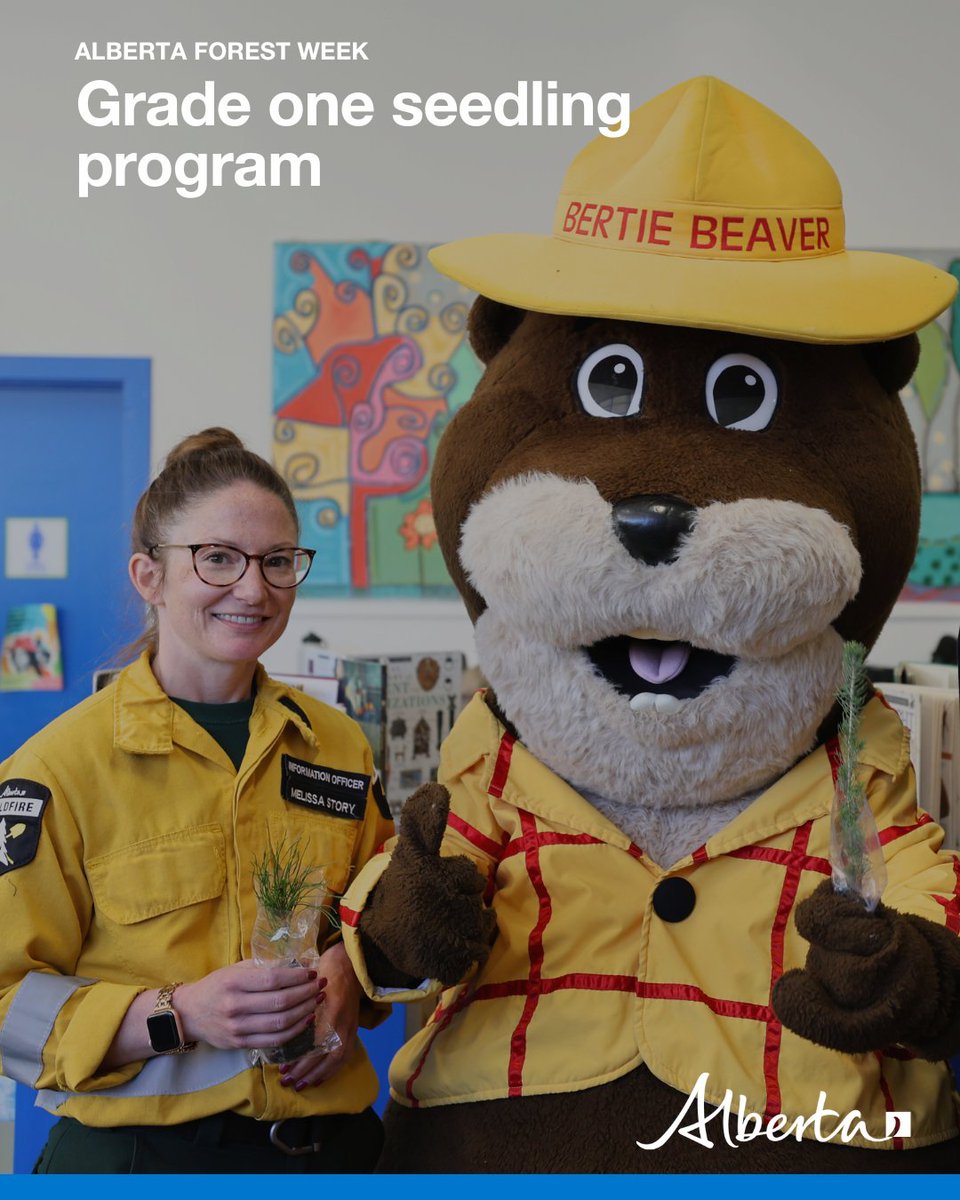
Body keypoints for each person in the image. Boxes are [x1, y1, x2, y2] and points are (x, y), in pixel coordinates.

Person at [0, 428, 394, 1173]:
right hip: (142, 1159)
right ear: (150, 576)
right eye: (218, 558)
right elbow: (5, 1003)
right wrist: (175, 1015)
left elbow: (380, 906)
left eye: (279, 561)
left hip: (330, 1153)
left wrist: (353, 965)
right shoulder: (59, 767)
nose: (254, 588)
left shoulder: (339, 747)